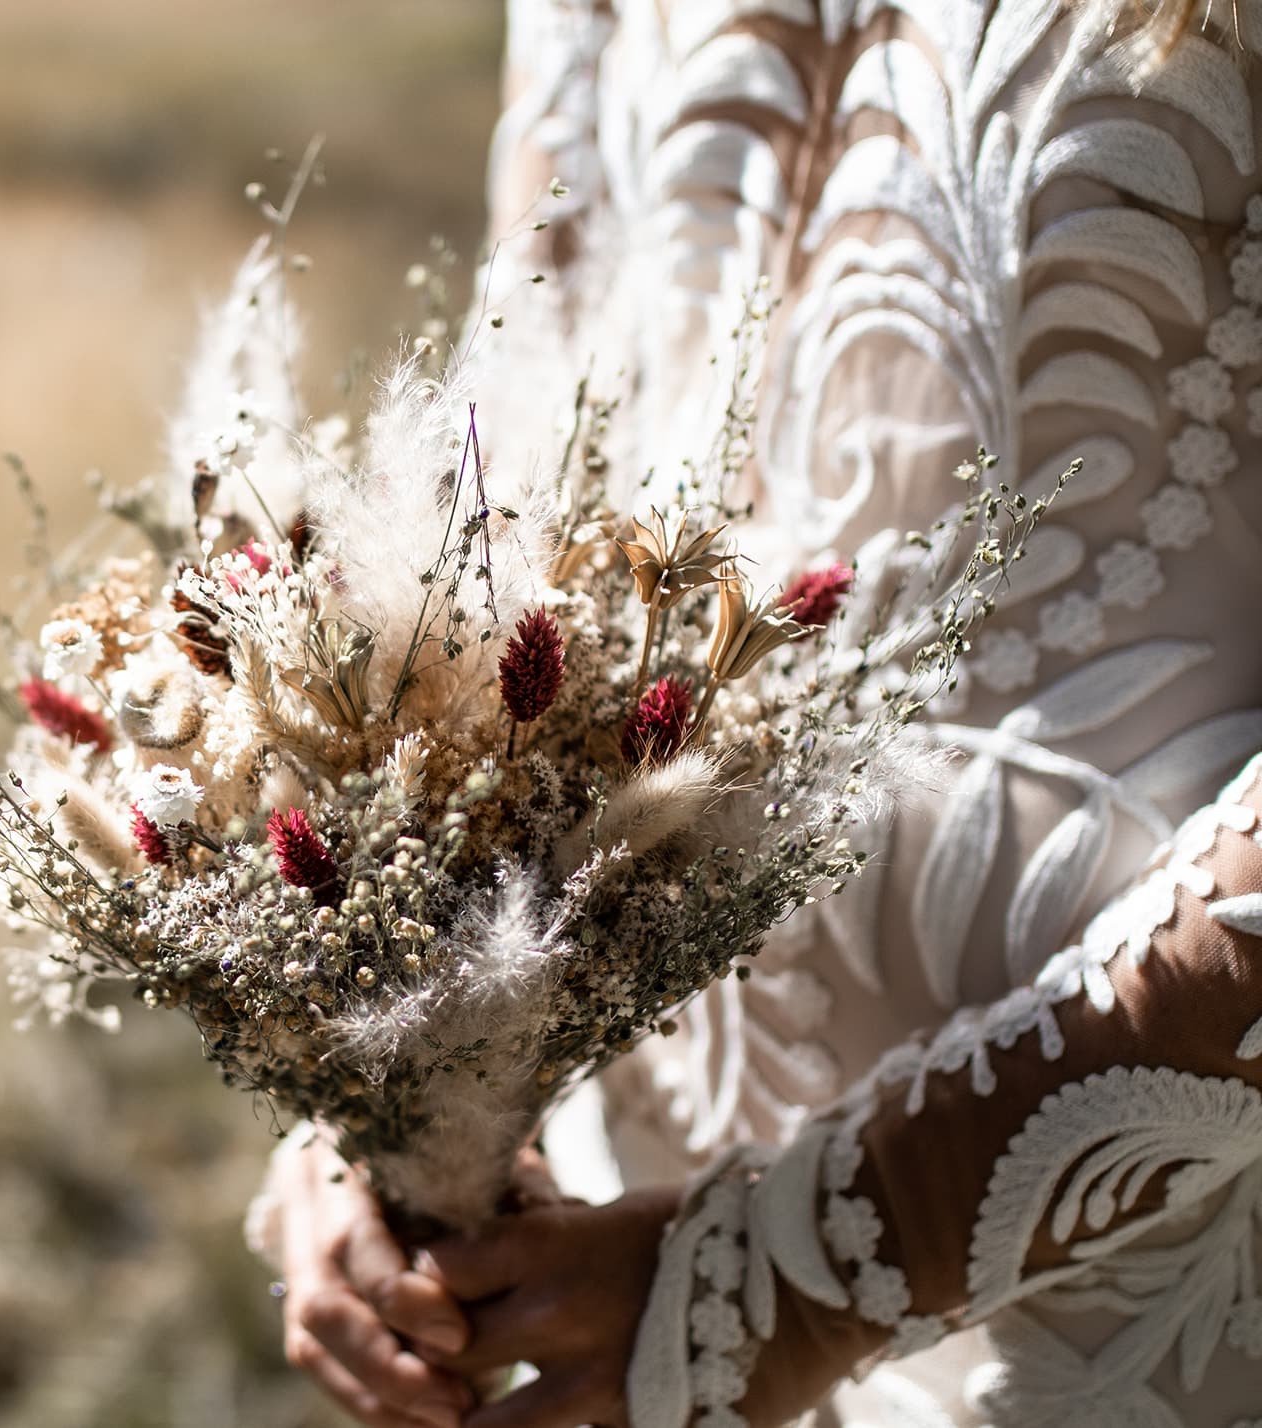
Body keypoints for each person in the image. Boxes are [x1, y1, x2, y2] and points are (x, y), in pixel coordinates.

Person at [247, 1, 1262, 1423]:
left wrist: (819, 1263)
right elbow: (531, 428)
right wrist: (394, 1084)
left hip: (1121, 1286)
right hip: (611, 1205)